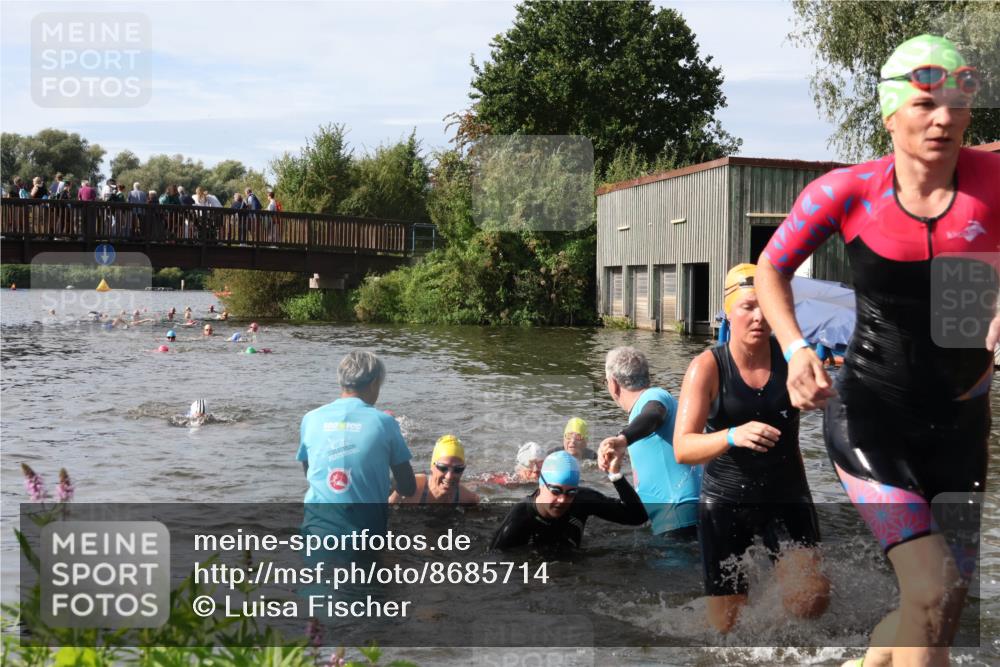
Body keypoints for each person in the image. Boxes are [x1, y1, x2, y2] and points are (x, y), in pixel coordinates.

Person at [753, 35, 1000, 667]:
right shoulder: (847, 192)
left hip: (962, 426)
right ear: (890, 113)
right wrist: (796, 347)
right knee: (932, 589)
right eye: (924, 103)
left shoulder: (994, 184)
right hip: (871, 417)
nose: (942, 118)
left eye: (954, 103)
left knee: (940, 617)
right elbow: (770, 269)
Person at [674, 263, 830, 634]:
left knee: (810, 602)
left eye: (765, 306)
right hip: (725, 504)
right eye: (747, 307)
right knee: (727, 631)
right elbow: (682, 447)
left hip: (786, 497)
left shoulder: (794, 359)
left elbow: (837, 411)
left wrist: (825, 398)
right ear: (728, 311)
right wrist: (731, 435)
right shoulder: (707, 368)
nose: (759, 317)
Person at [297, 351, 417, 540]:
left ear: (341, 381)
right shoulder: (385, 423)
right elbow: (408, 486)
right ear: (374, 383)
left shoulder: (310, 418)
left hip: (315, 533)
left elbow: (310, 473)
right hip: (364, 539)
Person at [597, 346, 701, 536]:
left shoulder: (654, 396)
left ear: (613, 383)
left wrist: (623, 439)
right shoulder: (643, 409)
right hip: (678, 516)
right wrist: (615, 474)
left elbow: (654, 415)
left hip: (677, 516)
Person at [490, 450, 647, 551]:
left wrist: (615, 475)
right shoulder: (520, 517)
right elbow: (495, 560)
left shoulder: (582, 500)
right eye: (556, 491)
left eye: (571, 492)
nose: (563, 499)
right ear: (541, 485)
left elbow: (637, 517)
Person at [388, 435, 479, 504]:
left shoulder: (469, 499)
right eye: (443, 468)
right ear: (432, 466)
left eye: (458, 469)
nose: (449, 476)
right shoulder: (409, 489)